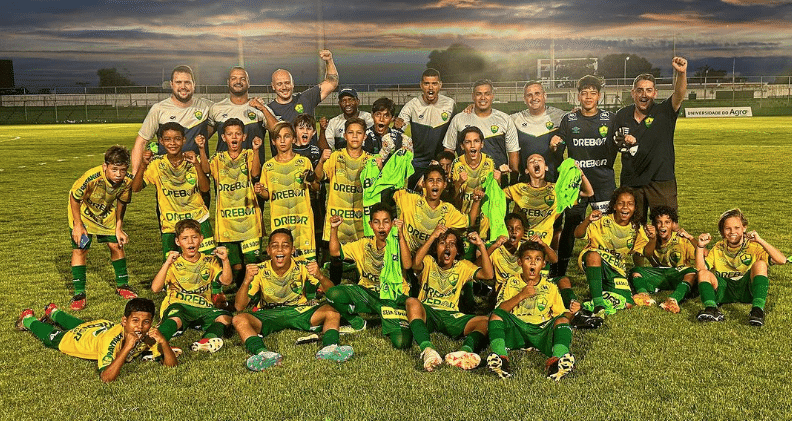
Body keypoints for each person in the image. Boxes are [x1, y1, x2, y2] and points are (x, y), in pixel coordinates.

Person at [232, 229, 354, 371]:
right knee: (239, 319)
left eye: (285, 245)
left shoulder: (303, 266)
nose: (280, 250)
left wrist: (320, 276)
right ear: (268, 250)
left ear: (293, 250)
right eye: (275, 246)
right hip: (269, 314)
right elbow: (239, 306)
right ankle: (263, 354)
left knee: (332, 311)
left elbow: (333, 293)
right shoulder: (259, 270)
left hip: (299, 311)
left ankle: (330, 348)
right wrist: (246, 281)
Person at [15, 298, 178, 383]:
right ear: (124, 321)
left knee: (81, 324)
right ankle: (27, 319)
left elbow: (171, 365)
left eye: (146, 322)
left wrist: (164, 343)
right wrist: (127, 348)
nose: (140, 327)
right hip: (80, 339)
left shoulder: (149, 335)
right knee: (54, 337)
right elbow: (106, 377)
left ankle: (53, 312)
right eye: (135, 321)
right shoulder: (110, 340)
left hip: (99, 327)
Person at [401, 226, 494, 371]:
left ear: (457, 251)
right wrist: (433, 236)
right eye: (442, 243)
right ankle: (427, 350)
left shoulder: (463, 266)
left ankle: (464, 352)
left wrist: (481, 245)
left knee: (485, 321)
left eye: (452, 244)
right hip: (429, 312)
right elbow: (415, 264)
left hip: (451, 315)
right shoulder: (429, 261)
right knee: (411, 302)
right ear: (435, 248)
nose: (447, 247)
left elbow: (488, 275)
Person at [551, 75, 617, 278]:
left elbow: (620, 140)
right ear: (578, 96)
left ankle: (610, 270)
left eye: (593, 93)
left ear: (599, 96)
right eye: (584, 93)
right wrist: (556, 143)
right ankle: (560, 270)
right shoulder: (569, 119)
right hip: (577, 184)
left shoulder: (610, 119)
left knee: (606, 226)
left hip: (603, 182)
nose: (588, 97)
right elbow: (560, 143)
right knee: (571, 225)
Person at [325, 203, 413, 348]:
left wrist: (401, 236)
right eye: (377, 222)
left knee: (401, 342)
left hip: (393, 297)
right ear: (371, 224)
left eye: (386, 222)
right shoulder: (364, 244)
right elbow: (335, 252)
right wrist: (334, 229)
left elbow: (408, 265)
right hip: (368, 295)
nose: (381, 227)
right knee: (333, 294)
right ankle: (359, 323)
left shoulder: (398, 243)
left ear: (392, 223)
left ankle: (383, 318)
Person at [612, 57, 688, 222]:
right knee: (633, 227)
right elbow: (616, 141)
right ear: (633, 93)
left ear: (655, 93)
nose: (644, 94)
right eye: (639, 90)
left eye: (648, 90)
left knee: (665, 227)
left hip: (661, 180)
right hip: (631, 181)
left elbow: (679, 94)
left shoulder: (664, 111)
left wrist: (681, 74)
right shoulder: (622, 115)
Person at [485, 241, 576, 380]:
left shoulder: (550, 286)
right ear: (520, 262)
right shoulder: (511, 282)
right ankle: (501, 358)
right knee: (496, 316)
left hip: (541, 330)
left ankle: (557, 361)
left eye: (537, 259)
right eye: (528, 258)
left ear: (543, 264)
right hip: (517, 329)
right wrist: (521, 295)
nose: (533, 263)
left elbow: (563, 315)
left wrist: (572, 312)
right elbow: (500, 310)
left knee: (563, 321)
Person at [131, 122, 214, 261]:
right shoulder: (156, 164)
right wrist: (143, 165)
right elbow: (135, 188)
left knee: (207, 262)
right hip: (171, 225)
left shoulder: (193, 160)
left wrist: (196, 165)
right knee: (172, 265)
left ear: (184, 140)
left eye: (177, 139)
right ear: (161, 141)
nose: (172, 143)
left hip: (198, 220)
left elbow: (205, 188)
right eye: (167, 139)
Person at [67, 145, 136, 311]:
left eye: (123, 170)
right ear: (105, 166)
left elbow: (122, 204)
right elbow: (74, 198)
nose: (119, 174)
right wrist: (78, 225)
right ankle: (79, 294)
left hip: (105, 212)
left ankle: (123, 285)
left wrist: (119, 227)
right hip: (82, 212)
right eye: (114, 170)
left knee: (116, 244)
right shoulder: (91, 177)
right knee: (81, 248)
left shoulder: (127, 181)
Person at [151, 219, 233, 353]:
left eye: (194, 237)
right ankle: (156, 344)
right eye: (185, 238)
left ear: (201, 239)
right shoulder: (174, 263)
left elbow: (227, 281)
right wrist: (167, 264)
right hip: (179, 306)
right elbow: (155, 288)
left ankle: (205, 342)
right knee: (176, 318)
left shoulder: (209, 261)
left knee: (226, 318)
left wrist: (225, 260)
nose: (190, 242)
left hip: (203, 307)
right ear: (178, 241)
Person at [694, 209, 786, 326]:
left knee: (760, 264)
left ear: (744, 228)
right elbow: (700, 269)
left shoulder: (753, 246)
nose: (732, 232)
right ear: (722, 231)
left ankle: (757, 311)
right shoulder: (718, 247)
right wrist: (700, 246)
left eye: (737, 228)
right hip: (724, 290)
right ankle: (711, 309)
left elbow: (782, 260)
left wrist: (760, 240)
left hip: (747, 289)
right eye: (728, 228)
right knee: (703, 273)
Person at [199, 118, 262, 287]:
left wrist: (256, 151)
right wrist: (201, 149)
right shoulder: (218, 158)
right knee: (236, 264)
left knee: (252, 260)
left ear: (244, 137)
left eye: (237, 134)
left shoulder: (249, 154)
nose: (234, 137)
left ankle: (252, 293)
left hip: (249, 219)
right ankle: (240, 289)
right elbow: (206, 170)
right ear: (223, 137)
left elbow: (255, 173)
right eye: (230, 134)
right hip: (226, 221)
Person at [574, 186, 649, 317]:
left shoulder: (636, 228)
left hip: (616, 269)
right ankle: (598, 305)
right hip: (595, 261)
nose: (625, 207)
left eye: (630, 204)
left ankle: (596, 297)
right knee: (593, 255)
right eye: (621, 203)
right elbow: (578, 234)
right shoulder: (602, 221)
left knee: (628, 303)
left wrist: (653, 238)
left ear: (635, 208)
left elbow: (645, 252)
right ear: (614, 206)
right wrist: (587, 220)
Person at [256, 121, 320, 262]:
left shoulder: (304, 162)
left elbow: (315, 188)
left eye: (287, 136)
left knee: (307, 263)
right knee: (283, 260)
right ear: (273, 142)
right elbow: (267, 195)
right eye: (278, 137)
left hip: (302, 220)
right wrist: (260, 191)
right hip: (280, 219)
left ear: (293, 139)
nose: (283, 141)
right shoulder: (268, 166)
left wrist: (312, 180)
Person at [131, 65, 212, 175]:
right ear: (171, 84)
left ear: (194, 84)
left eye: (187, 82)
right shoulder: (159, 109)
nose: (183, 86)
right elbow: (141, 142)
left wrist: (201, 137)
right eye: (178, 82)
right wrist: (135, 174)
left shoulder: (206, 106)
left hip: (197, 176)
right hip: (167, 177)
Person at [503, 153, 593, 243]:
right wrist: (499, 176)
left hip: (542, 245)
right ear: (526, 170)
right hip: (520, 243)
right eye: (531, 161)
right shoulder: (518, 188)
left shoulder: (557, 190)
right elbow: (497, 196)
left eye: (539, 160)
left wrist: (581, 174)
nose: (535, 161)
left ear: (546, 167)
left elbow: (588, 193)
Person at [315, 117, 374, 244]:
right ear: (344, 136)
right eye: (351, 132)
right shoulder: (335, 157)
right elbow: (318, 177)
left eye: (359, 133)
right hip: (337, 221)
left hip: (360, 223)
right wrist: (321, 161)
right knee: (335, 255)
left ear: (364, 137)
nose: (355, 136)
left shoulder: (371, 161)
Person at [443, 79, 520, 176]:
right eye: (478, 94)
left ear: (492, 96)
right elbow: (449, 149)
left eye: (487, 94)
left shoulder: (505, 119)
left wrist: (514, 177)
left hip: (497, 178)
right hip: (467, 179)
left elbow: (513, 152)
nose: (483, 98)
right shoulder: (459, 119)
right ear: (473, 96)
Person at [629, 206, 698, 312]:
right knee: (636, 271)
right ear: (654, 224)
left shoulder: (681, 239)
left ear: (673, 224)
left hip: (678, 273)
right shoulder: (649, 236)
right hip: (660, 273)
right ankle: (643, 295)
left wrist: (691, 238)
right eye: (659, 222)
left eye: (667, 222)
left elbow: (704, 254)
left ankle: (673, 299)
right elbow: (647, 253)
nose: (663, 226)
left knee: (692, 272)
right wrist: (652, 239)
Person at [396, 68, 456, 188]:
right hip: (418, 162)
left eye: (434, 83)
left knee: (441, 196)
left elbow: (456, 129)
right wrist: (398, 125)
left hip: (441, 162)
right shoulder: (412, 105)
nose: (430, 87)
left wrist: (471, 108)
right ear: (421, 85)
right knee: (415, 194)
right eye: (427, 83)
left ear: (440, 85)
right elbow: (398, 131)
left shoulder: (450, 104)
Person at [208, 66, 268, 164]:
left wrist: (263, 109)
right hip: (224, 170)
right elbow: (203, 136)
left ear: (248, 83)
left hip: (254, 169)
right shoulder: (217, 108)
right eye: (234, 78)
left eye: (242, 79)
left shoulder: (260, 108)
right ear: (228, 82)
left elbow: (276, 130)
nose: (238, 81)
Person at [266, 50, 338, 130]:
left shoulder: (306, 98)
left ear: (293, 84)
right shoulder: (268, 110)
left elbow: (332, 83)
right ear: (273, 86)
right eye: (279, 84)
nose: (284, 87)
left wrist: (329, 60)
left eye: (287, 83)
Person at [510, 81, 566, 181]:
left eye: (537, 93)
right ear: (524, 99)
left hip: (556, 181)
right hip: (526, 182)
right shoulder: (515, 119)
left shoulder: (560, 116)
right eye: (529, 95)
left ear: (545, 96)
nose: (534, 98)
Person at [368, 96, 413, 161]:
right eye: (378, 114)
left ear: (392, 118)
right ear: (372, 115)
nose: (381, 119)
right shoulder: (364, 137)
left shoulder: (399, 138)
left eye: (386, 116)